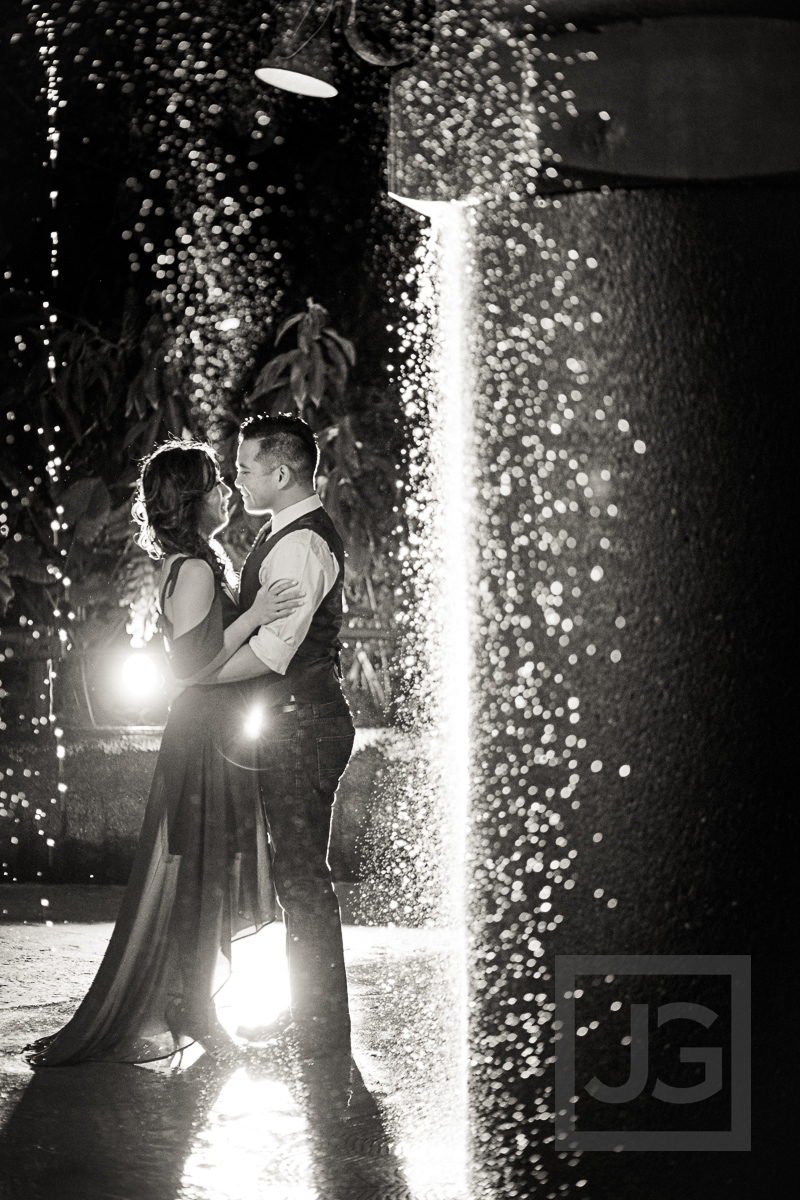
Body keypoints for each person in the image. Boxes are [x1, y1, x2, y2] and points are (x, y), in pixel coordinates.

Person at [24, 439, 303, 1066]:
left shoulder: (196, 563)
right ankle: (193, 1009)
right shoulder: (196, 569)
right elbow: (191, 665)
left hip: (212, 733)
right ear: (191, 500)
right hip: (204, 736)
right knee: (202, 875)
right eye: (215, 485)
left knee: (207, 874)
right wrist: (256, 614)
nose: (227, 493)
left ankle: (192, 1003)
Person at [199, 413, 355, 1059]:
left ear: (281, 471)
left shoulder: (298, 546)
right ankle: (313, 1015)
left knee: (301, 879)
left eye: (243, 467)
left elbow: (271, 654)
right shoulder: (284, 534)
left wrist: (196, 676)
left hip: (303, 725)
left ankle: (321, 1027)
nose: (236, 479)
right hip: (296, 724)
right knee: (296, 876)